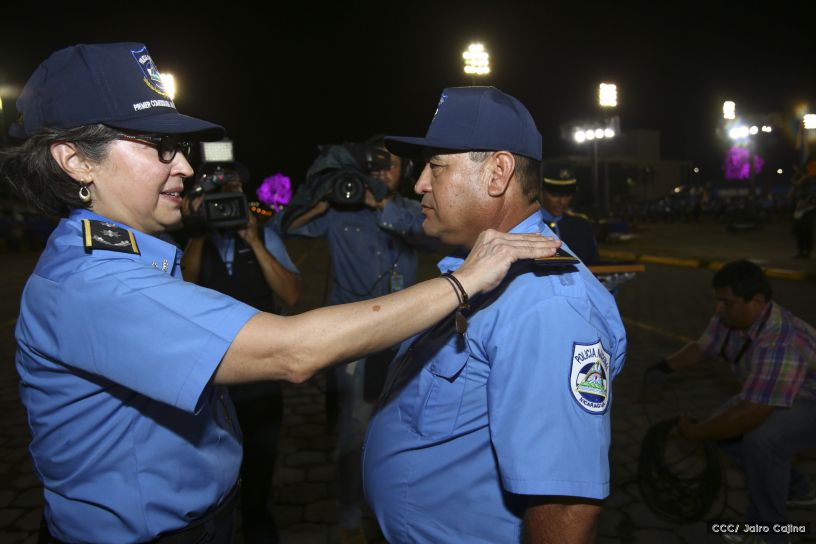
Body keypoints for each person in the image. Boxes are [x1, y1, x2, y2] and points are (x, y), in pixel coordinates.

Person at [1, 44, 561, 543]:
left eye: (181, 146)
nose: (185, 165)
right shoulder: (93, 284)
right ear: (75, 159)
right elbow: (293, 351)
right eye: (159, 146)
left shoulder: (126, 255)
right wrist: (464, 280)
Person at [362, 86, 627, 543]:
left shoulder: (546, 305)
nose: (420, 183)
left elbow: (564, 506)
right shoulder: (476, 271)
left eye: (436, 167)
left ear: (497, 172)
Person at [286, 135, 439, 544]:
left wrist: (380, 205)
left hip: (404, 337)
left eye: (388, 165)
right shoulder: (340, 210)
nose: (380, 172)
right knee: (355, 433)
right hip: (354, 338)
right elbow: (288, 229)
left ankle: (399, 505)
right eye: (373, 165)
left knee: (408, 424)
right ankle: (350, 516)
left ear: (403, 171)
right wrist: (326, 196)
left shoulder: (410, 210)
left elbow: (431, 237)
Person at [645, 260, 816, 544]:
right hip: (778, 394)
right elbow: (702, 348)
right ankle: (797, 488)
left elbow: (752, 413)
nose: (718, 309)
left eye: (727, 303)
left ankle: (769, 533)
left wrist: (696, 432)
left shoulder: (781, 339)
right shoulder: (731, 318)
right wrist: (664, 367)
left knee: (762, 440)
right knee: (723, 430)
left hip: (809, 401)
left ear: (757, 301)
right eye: (718, 301)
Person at [180, 164, 300, 544]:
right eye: (218, 192)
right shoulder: (190, 238)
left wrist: (255, 241)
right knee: (209, 478)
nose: (225, 200)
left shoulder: (263, 233)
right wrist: (199, 232)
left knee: (259, 474)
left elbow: (293, 295)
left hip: (261, 382)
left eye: (232, 190)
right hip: (208, 383)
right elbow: (183, 288)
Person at [540, 163, 600, 265]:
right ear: (540, 192)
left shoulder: (581, 226)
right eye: (555, 195)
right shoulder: (529, 225)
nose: (562, 201)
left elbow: (593, 265)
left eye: (567, 195)